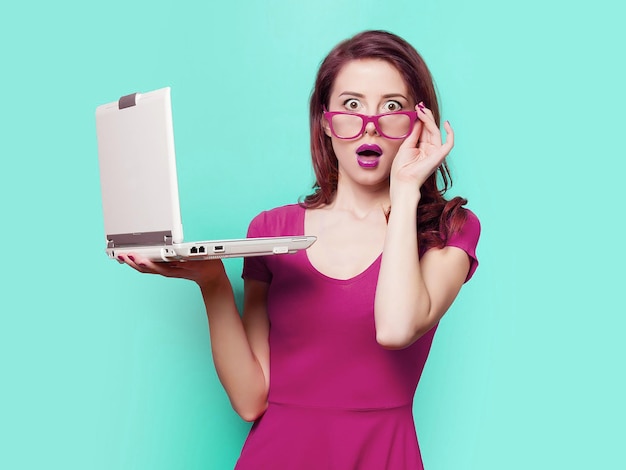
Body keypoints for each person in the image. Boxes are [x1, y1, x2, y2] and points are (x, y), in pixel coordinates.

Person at [118, 30, 480, 469]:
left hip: (383, 455)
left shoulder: (449, 230)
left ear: (417, 122)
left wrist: (406, 193)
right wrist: (211, 281)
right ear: (326, 122)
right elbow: (252, 400)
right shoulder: (271, 231)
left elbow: (395, 329)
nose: (370, 124)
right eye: (351, 105)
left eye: (391, 106)